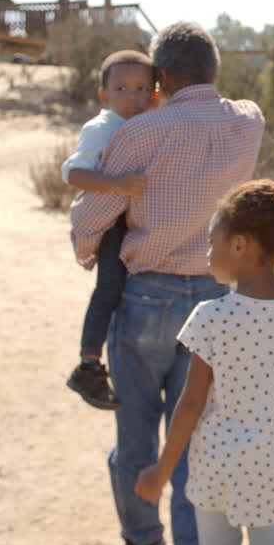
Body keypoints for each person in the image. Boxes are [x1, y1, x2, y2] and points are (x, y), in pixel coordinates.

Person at [71, 22, 265, 545]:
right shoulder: (247, 122)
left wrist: (90, 253)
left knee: (136, 439)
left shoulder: (140, 133)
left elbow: (90, 219)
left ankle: (142, 539)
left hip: (145, 299)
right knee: (195, 439)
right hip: (214, 299)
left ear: (160, 77)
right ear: (216, 70)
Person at [134, 179, 274, 545]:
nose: (207, 253)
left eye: (211, 242)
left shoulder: (211, 317)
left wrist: (163, 469)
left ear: (239, 245)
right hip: (273, 477)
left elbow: (190, 404)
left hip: (216, 470)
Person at [62, 49, 159, 410]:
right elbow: (74, 173)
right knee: (109, 290)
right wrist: (118, 184)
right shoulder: (101, 128)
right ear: (104, 95)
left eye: (141, 89)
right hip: (113, 223)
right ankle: (88, 363)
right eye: (121, 89)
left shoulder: (149, 121)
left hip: (138, 221)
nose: (132, 97)